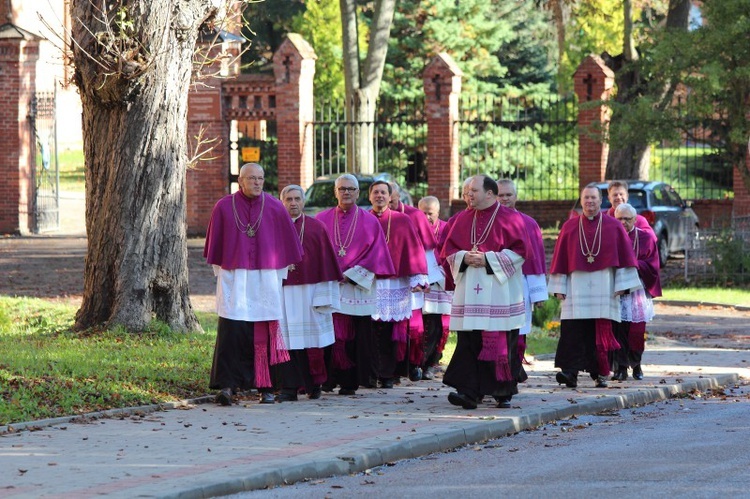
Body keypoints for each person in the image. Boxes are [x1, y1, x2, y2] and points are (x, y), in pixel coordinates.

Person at [204, 163, 303, 406]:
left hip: (264, 278)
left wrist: (276, 273)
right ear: (241, 181)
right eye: (252, 178)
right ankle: (227, 386)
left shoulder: (274, 207)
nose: (257, 183)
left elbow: (285, 247)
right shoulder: (224, 206)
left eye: (261, 178)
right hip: (234, 276)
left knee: (264, 333)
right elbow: (216, 248)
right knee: (232, 331)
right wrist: (226, 272)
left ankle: (266, 387)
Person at [440, 174, 529, 410]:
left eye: (473, 190)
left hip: (500, 289)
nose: (468, 194)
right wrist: (463, 257)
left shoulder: (511, 218)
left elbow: (520, 252)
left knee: (501, 341)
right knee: (469, 341)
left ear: (489, 193)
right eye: (467, 190)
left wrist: (488, 259)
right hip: (470, 287)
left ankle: (502, 392)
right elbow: (447, 250)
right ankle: (469, 393)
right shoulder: (460, 219)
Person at [549, 183, 642, 389]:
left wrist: (622, 285)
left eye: (594, 198)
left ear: (601, 201)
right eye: (586, 198)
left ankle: (599, 373)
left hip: (604, 286)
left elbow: (625, 259)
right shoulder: (569, 227)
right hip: (576, 287)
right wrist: (559, 286)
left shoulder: (614, 226)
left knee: (600, 333)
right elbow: (560, 259)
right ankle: (569, 373)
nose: (590, 202)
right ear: (581, 201)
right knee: (573, 331)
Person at [316, 174, 395, 395]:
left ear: (359, 193)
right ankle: (327, 379)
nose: (346, 192)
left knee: (356, 337)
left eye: (351, 189)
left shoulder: (370, 221)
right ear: (335, 192)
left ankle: (350, 382)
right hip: (330, 285)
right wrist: (331, 272)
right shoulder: (321, 219)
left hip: (356, 287)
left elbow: (377, 254)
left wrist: (351, 275)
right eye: (342, 189)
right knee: (327, 333)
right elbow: (315, 252)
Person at [276, 185, 343, 401]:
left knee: (312, 342)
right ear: (282, 201)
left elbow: (326, 265)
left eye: (297, 199)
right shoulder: (274, 227)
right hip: (283, 292)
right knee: (286, 342)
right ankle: (288, 388)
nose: (293, 203)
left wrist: (324, 296)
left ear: (303, 202)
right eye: (289, 199)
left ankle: (314, 384)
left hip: (310, 292)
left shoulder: (316, 228)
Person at [368, 181, 428, 388]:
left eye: (383, 192)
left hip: (394, 284)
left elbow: (413, 250)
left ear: (390, 196)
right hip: (369, 283)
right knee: (370, 331)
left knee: (390, 332)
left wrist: (417, 279)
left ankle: (387, 375)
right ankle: (370, 374)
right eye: (375, 192)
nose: (379, 196)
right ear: (369, 197)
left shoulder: (402, 221)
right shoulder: (364, 219)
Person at [496, 179, 548, 364]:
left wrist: (538, 293)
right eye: (500, 195)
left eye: (508, 195)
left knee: (519, 327)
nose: (504, 199)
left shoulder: (529, 223)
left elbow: (536, 260)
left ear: (516, 196)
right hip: (494, 284)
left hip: (520, 284)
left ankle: (516, 365)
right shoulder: (487, 222)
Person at [611, 203, 662, 381]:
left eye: (627, 219)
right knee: (618, 331)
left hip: (637, 291)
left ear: (635, 219)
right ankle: (621, 368)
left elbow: (653, 265)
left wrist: (633, 263)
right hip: (617, 290)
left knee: (635, 333)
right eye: (619, 219)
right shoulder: (610, 237)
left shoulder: (646, 237)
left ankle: (637, 365)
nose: (623, 222)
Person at [389, 185, 436, 381]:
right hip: (386, 281)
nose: (387, 202)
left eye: (391, 198)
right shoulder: (372, 216)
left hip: (410, 278)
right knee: (389, 327)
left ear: (399, 196)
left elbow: (427, 250)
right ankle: (393, 369)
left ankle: (415, 364)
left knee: (414, 328)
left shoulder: (415, 215)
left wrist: (425, 279)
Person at [418, 195, 452, 380]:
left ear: (438, 213)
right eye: (423, 213)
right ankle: (417, 363)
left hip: (440, 284)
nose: (427, 218)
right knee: (419, 326)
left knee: (437, 325)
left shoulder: (447, 228)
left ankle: (431, 362)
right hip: (420, 283)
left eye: (430, 214)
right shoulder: (414, 228)